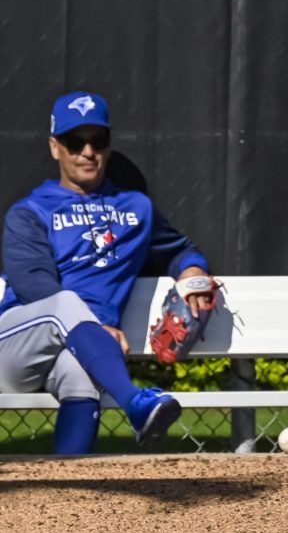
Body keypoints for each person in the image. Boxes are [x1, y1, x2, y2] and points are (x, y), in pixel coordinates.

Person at [0, 91, 216, 454]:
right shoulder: (30, 212)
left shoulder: (136, 208)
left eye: (97, 141)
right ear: (55, 148)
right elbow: (35, 286)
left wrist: (192, 272)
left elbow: (178, 249)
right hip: (16, 347)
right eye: (75, 142)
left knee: (81, 378)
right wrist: (95, 327)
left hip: (81, 346)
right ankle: (135, 403)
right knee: (64, 303)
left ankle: (66, 492)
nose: (88, 152)